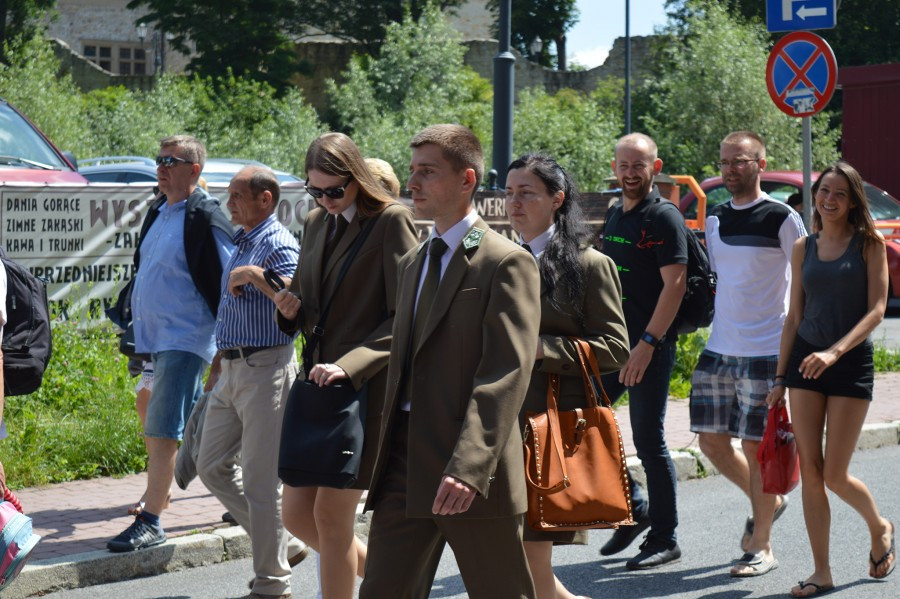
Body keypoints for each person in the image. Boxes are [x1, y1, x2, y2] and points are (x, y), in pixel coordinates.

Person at [359, 124, 541, 598]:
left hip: (470, 467)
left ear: (466, 180)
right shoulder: (413, 263)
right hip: (403, 459)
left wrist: (469, 465)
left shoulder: (504, 261)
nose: (412, 182)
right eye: (412, 170)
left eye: (427, 172)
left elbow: (505, 373)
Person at [273, 132, 418, 599]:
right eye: (315, 190)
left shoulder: (392, 220)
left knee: (331, 521)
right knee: (295, 515)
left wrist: (351, 365)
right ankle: (394, 584)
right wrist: (289, 308)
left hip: (363, 390)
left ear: (356, 178)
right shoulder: (317, 222)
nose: (326, 200)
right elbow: (308, 296)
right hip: (316, 388)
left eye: (335, 190)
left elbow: (408, 315)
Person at [767, 161, 894, 597]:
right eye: (824, 191)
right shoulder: (803, 247)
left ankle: (879, 527)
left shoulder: (869, 245)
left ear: (852, 199)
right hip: (805, 364)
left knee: (836, 474)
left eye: (840, 193)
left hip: (849, 363)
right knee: (812, 471)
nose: (829, 199)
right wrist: (780, 376)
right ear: (814, 195)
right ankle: (821, 571)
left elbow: (877, 308)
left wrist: (836, 351)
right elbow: (794, 317)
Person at [506, 153, 630, 599]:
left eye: (526, 193)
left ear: (557, 199)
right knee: (516, 546)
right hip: (500, 420)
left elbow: (615, 348)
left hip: (547, 422)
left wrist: (544, 348)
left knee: (530, 544)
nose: (514, 203)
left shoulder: (591, 264)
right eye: (509, 192)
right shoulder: (502, 259)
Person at [107, 135, 235, 552]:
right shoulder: (159, 210)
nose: (161, 167)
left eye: (171, 161)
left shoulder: (206, 216)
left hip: (187, 338)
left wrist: (226, 346)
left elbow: (227, 282)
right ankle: (250, 498)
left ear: (194, 170)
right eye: (158, 160)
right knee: (205, 425)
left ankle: (152, 519)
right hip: (152, 339)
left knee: (162, 429)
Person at [689, 131, 806, 577]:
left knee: (758, 449)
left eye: (739, 161)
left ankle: (762, 547)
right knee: (712, 444)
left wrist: (791, 357)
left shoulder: (782, 217)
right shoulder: (715, 219)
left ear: (760, 162)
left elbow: (802, 286)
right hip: (719, 348)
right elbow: (722, 281)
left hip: (765, 351)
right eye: (724, 162)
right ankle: (770, 502)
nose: (729, 169)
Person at [195, 166, 306, 599]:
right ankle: (287, 544)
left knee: (261, 482)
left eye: (238, 195)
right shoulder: (246, 238)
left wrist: (252, 276)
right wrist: (219, 359)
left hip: (267, 369)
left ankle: (272, 584)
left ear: (265, 199)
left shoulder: (277, 241)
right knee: (211, 466)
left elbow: (293, 300)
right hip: (234, 368)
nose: (229, 203)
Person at [598, 132, 687, 570]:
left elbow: (675, 284)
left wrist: (647, 345)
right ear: (614, 167)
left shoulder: (663, 217)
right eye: (624, 165)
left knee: (649, 442)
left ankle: (665, 537)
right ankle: (635, 504)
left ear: (656, 166)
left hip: (649, 346)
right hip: (613, 345)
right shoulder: (617, 214)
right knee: (581, 417)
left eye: (640, 165)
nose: (631, 173)